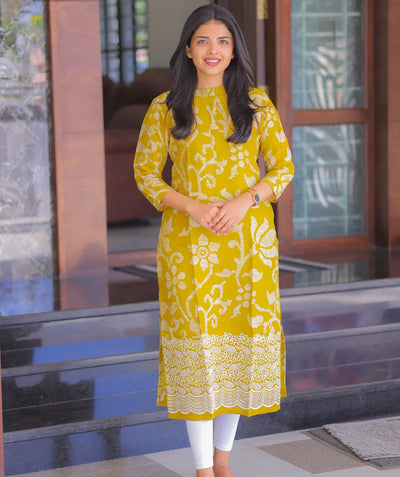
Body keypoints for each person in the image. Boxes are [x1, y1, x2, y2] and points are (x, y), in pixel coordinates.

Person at [134, 4, 294, 476]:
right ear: (187, 48)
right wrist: (192, 207)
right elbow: (145, 174)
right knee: (198, 349)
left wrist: (247, 199)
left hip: (248, 246)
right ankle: (203, 468)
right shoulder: (165, 107)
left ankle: (223, 459)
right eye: (203, 40)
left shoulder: (256, 104)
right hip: (188, 245)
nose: (213, 50)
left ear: (234, 50)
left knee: (237, 350)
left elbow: (283, 169)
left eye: (223, 41)